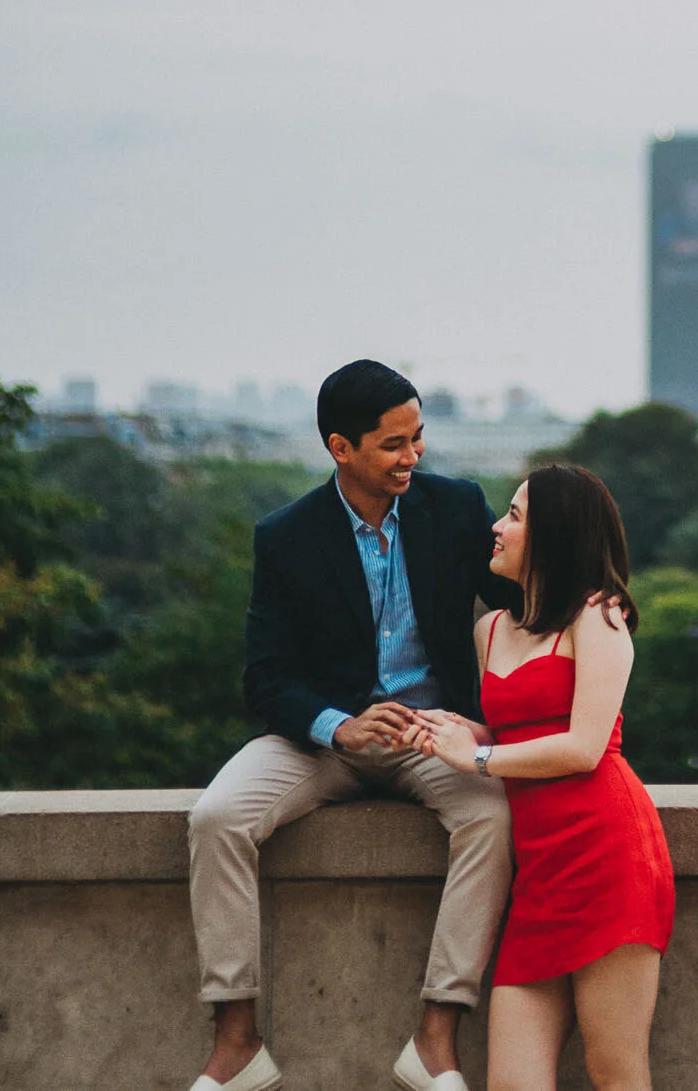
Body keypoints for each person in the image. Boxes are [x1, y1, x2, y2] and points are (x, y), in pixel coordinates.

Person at [185, 360, 517, 1091]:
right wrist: (341, 727)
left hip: (434, 734)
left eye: (418, 437)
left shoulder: (457, 508)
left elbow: (520, 605)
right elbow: (265, 678)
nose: (413, 456)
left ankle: (435, 1037)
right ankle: (238, 1041)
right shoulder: (286, 537)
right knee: (217, 816)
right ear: (341, 448)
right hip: (324, 740)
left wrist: (591, 599)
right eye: (394, 444)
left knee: (493, 816)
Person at [413, 463, 674, 1091]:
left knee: (616, 1075)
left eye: (515, 516)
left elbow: (584, 748)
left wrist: (475, 760)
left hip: (609, 858)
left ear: (553, 535)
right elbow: (514, 732)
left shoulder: (599, 616)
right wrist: (452, 732)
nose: (497, 528)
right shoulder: (490, 631)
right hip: (539, 875)